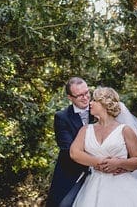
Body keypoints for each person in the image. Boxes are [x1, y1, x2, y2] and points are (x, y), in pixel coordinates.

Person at [68, 86, 137, 206]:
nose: (90, 103)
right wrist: (98, 161)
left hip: (121, 186)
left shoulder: (125, 130)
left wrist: (119, 163)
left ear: (105, 104)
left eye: (95, 100)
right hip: (93, 186)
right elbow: (74, 153)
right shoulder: (86, 129)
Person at [46, 77, 93, 207]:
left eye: (87, 93)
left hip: (103, 171)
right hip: (72, 172)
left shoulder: (100, 110)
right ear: (70, 97)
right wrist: (96, 162)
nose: (85, 98)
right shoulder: (61, 117)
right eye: (79, 95)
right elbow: (68, 149)